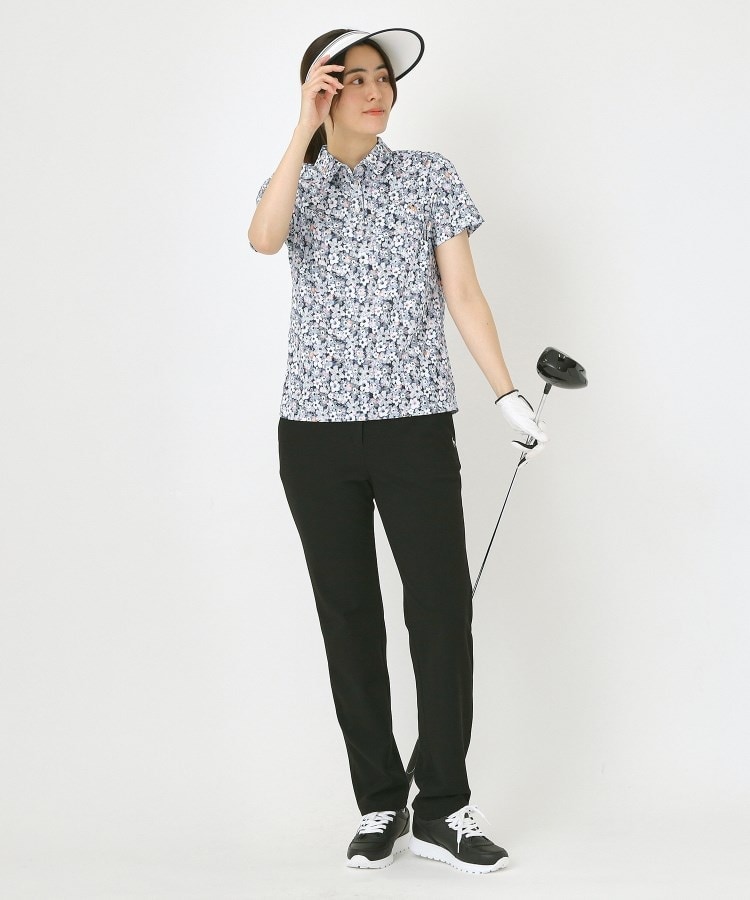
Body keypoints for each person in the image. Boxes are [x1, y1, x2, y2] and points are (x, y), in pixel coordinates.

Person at [247, 27, 548, 875]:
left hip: (414, 426)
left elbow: (464, 292)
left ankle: (444, 806)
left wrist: (507, 392)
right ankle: (380, 801)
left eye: (384, 78)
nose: (377, 91)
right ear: (323, 89)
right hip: (314, 434)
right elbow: (264, 239)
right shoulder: (292, 180)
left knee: (441, 609)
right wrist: (300, 128)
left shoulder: (427, 175)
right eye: (356, 79)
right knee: (349, 616)